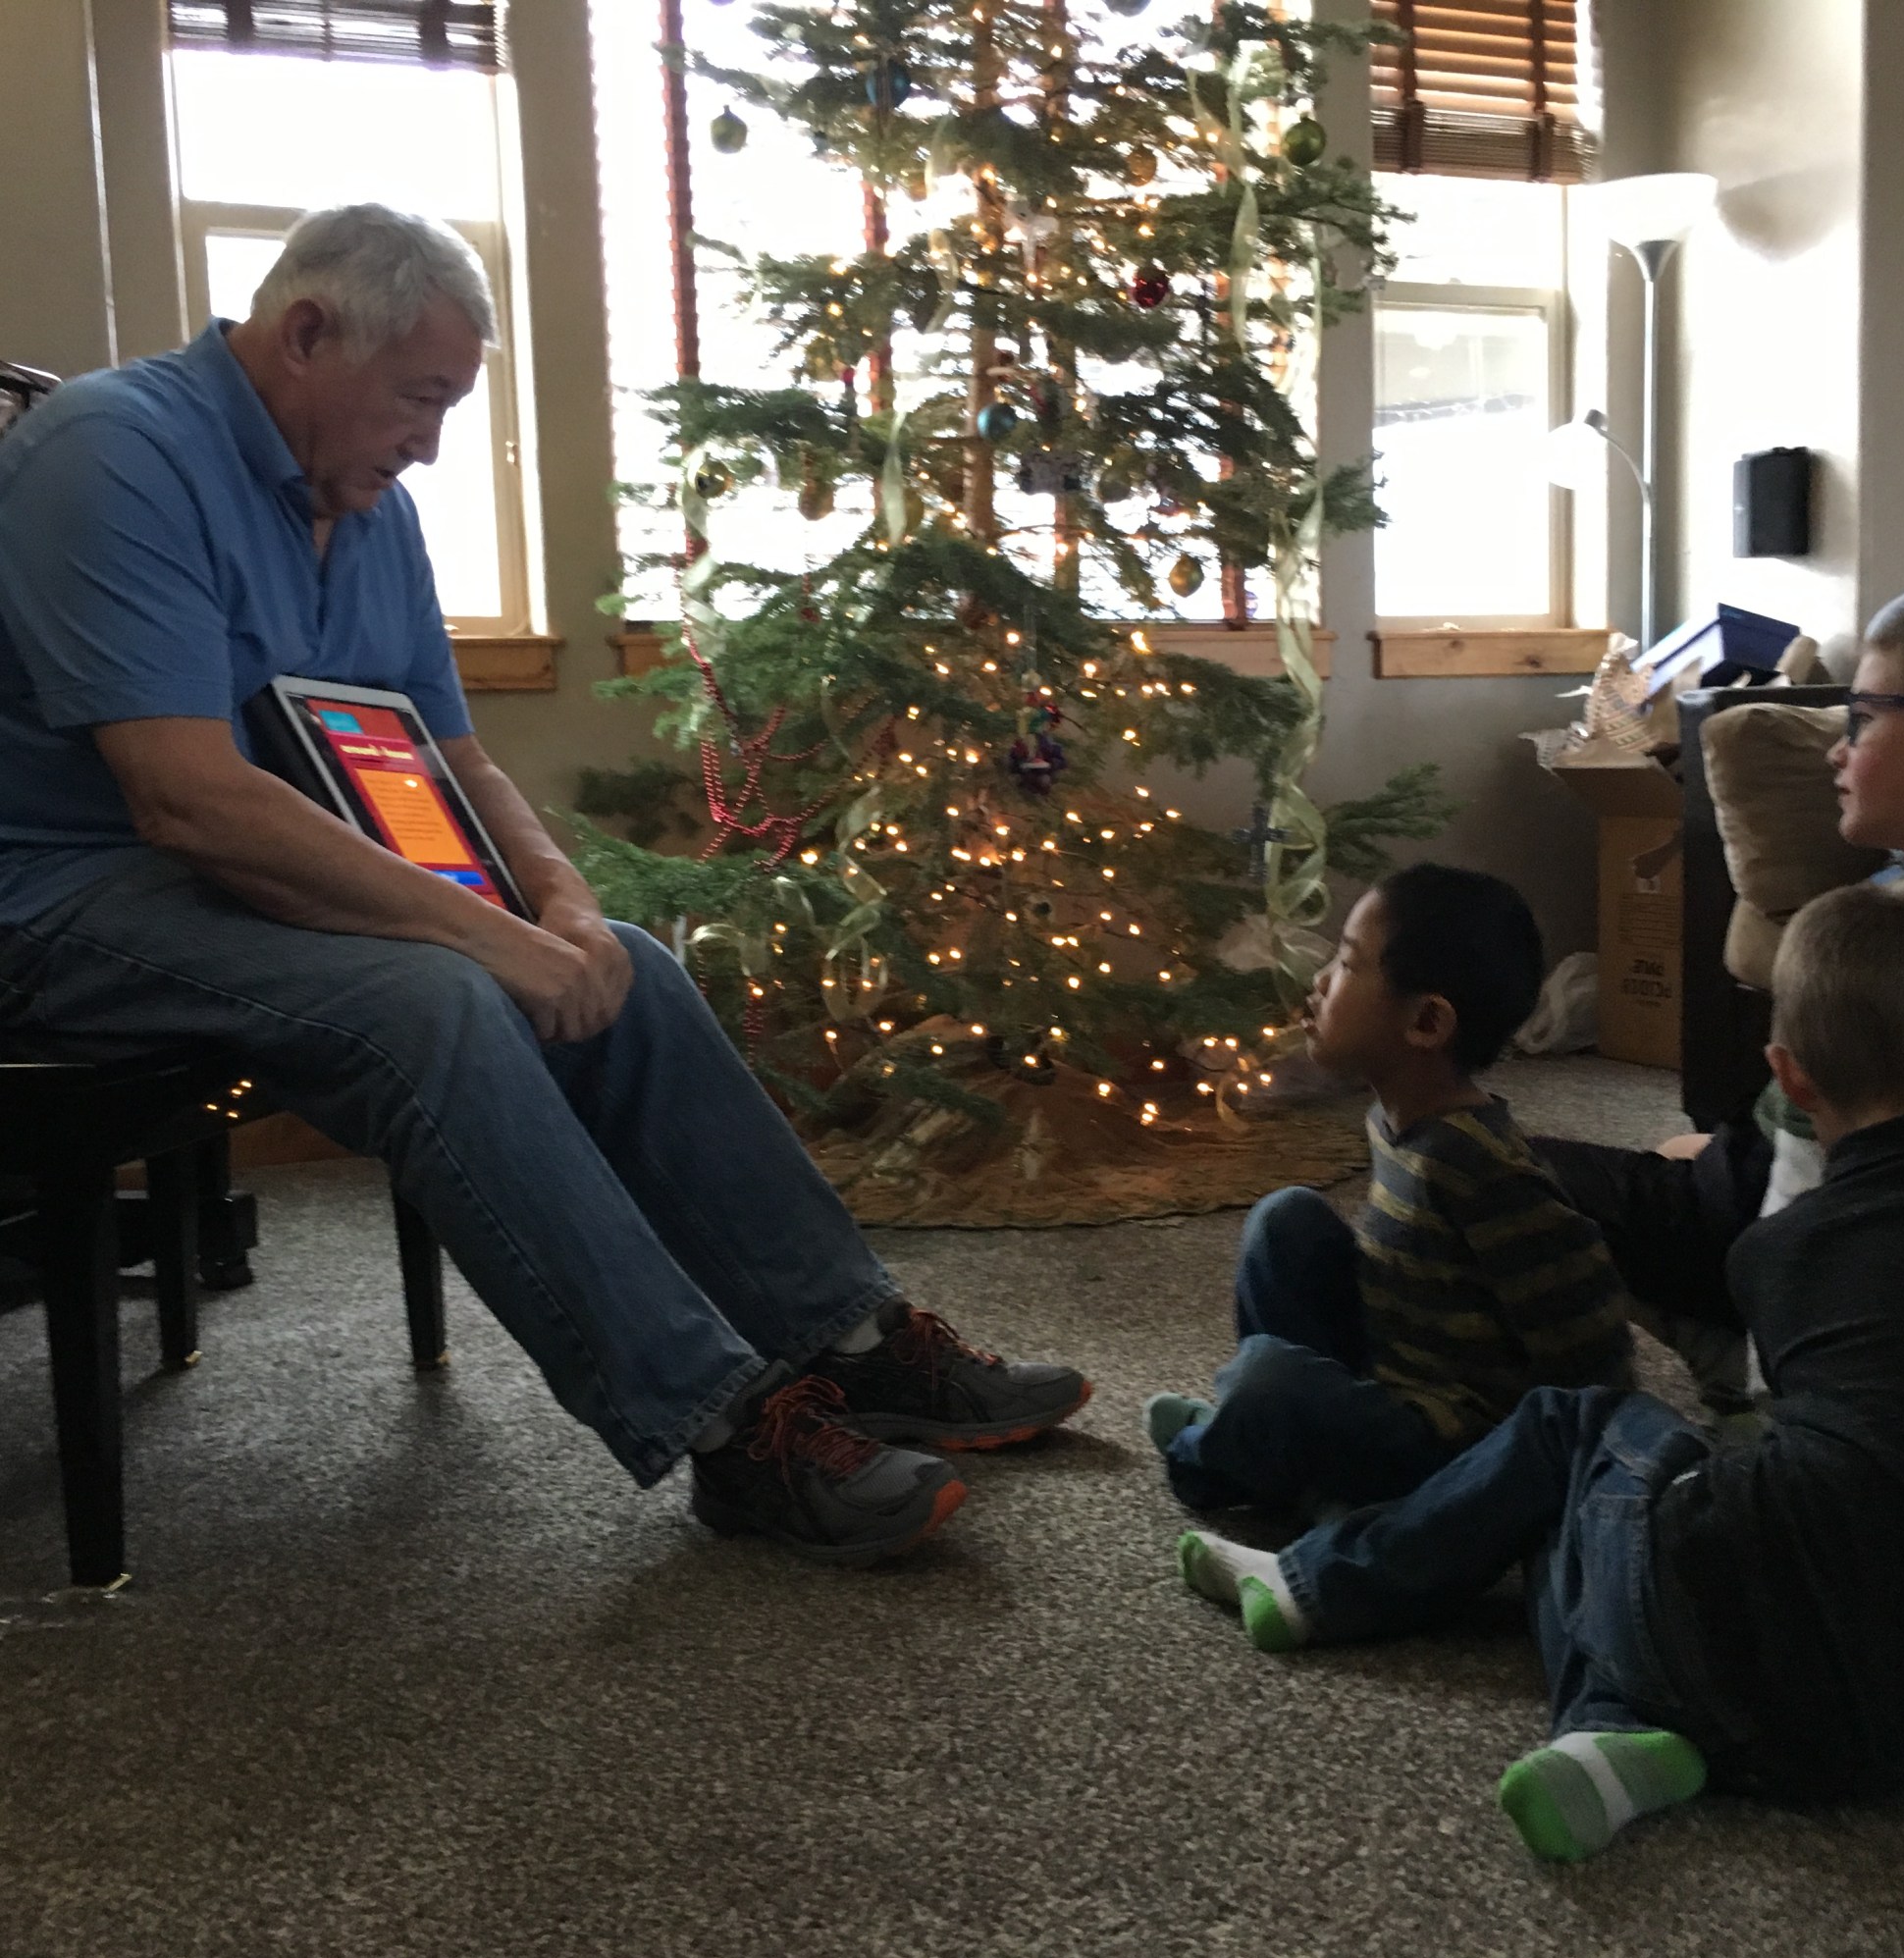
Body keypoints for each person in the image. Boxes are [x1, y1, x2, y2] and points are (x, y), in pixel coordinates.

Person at [0, 204, 1090, 1567]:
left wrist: (561, 905)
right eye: (419, 398)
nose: (430, 444)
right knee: (438, 1002)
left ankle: (850, 1340)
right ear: (305, 333)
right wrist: (492, 943)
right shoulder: (113, 451)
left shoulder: (372, 511)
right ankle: (721, 1429)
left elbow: (449, 756)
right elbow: (188, 798)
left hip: (235, 886)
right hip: (62, 901)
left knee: (629, 963)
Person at [1179, 880, 1904, 1863]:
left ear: (1788, 1081)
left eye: (1345, 960)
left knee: (1568, 1427)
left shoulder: (1787, 1247)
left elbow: (1724, 1417)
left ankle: (1318, 1582)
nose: (1323, 979)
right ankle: (1605, 1736)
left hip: (1733, 1635)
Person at [1535, 574, 1904, 1378]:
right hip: (1788, 1182)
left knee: (1472, 1166)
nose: (1836, 748)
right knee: (1682, 1148)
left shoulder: (1879, 944)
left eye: (1862, 718)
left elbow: (1801, 1194)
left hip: (1782, 1239)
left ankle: (1720, 1345)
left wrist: (1772, 1366)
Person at [1141, 864, 1631, 1518]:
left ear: (1426, 1021)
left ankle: (1221, 1457)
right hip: (1393, 1373)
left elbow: (1593, 1345)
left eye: (1346, 964)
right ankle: (1276, 1444)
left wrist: (1548, 1477)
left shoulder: (1487, 1171)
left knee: (1268, 1383)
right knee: (1286, 1219)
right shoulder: (1395, 1119)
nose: (1320, 982)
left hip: (1448, 1445)